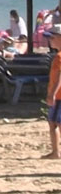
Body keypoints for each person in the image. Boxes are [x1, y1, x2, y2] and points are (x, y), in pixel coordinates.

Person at [43, 25, 61, 159]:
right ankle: (55, 152)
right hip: (57, 96)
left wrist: (52, 94)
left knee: (58, 123)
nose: (50, 40)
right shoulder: (57, 56)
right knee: (52, 122)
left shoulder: (59, 57)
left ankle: (56, 151)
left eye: (53, 37)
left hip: (59, 96)